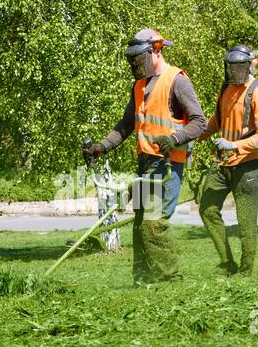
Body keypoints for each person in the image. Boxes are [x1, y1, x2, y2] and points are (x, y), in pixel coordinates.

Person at [83, 28, 207, 286]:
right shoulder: (139, 85)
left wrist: (173, 139)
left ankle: (169, 279)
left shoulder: (177, 80)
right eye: (133, 60)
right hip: (146, 163)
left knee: (154, 222)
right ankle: (143, 277)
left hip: (168, 164)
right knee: (141, 222)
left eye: (140, 59)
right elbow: (127, 124)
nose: (136, 65)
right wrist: (101, 147)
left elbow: (200, 122)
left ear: (157, 51)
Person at [199, 45, 258, 276]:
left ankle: (245, 272)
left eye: (239, 66)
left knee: (246, 223)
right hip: (222, 163)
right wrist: (194, 137)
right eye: (231, 66)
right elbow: (217, 121)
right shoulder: (225, 88)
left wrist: (235, 145)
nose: (234, 71)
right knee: (207, 209)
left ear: (249, 65)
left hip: (248, 166)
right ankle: (227, 263)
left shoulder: (255, 91)